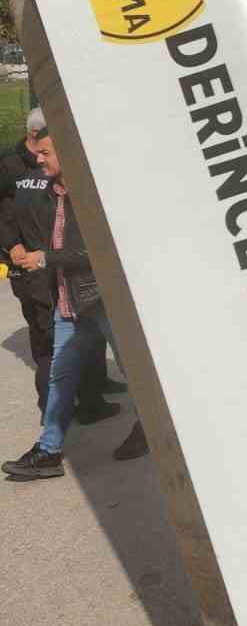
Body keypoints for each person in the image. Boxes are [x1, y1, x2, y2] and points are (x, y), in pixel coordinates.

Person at [2, 127, 146, 481]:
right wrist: (18, 248)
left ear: (69, 155)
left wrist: (45, 259)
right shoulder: (53, 192)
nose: (37, 158)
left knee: (137, 375)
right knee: (60, 377)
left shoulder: (93, 197)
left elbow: (100, 251)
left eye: (46, 153)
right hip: (69, 300)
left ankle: (156, 432)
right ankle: (48, 452)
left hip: (102, 299)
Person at [0, 107, 121, 423]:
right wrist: (13, 246)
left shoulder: (56, 179)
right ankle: (52, 422)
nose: (42, 159)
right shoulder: (18, 172)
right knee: (51, 351)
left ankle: (92, 398)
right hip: (36, 274)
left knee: (87, 341)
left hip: (67, 276)